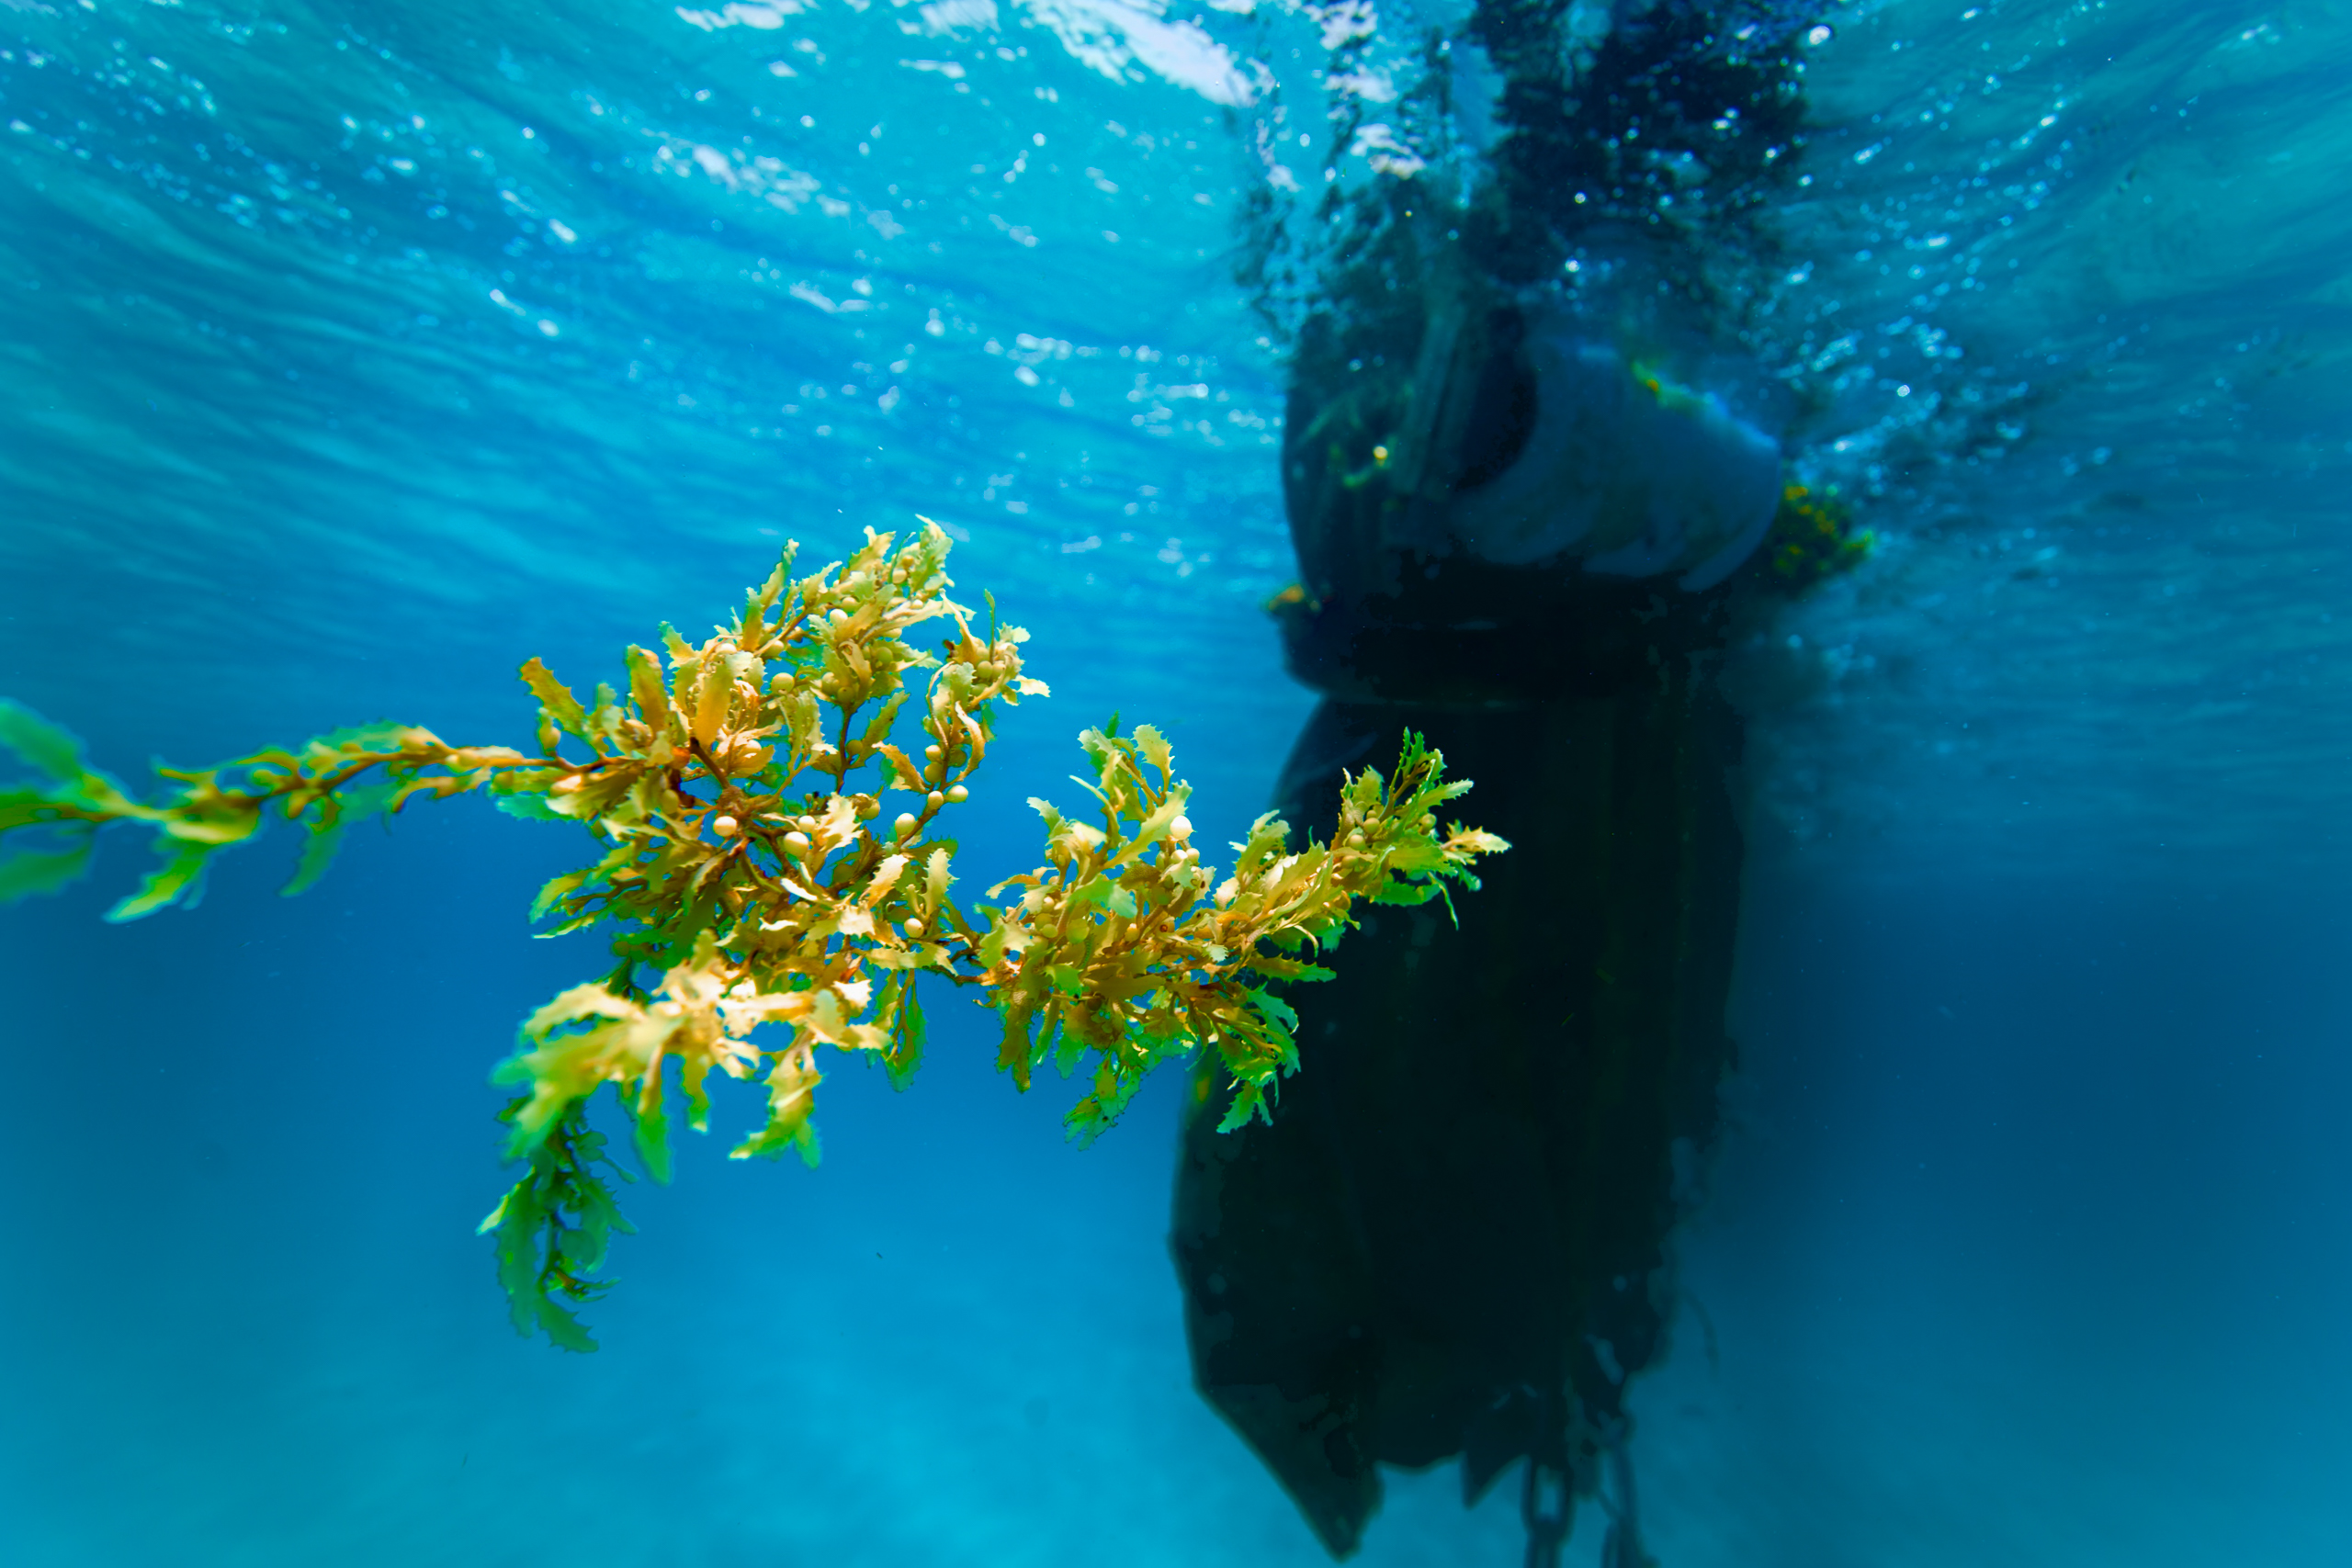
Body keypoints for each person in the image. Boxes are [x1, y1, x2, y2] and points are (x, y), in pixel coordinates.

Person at [1171, 2, 1828, 1560]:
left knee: (1487, 285)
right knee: (1538, 263)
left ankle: (1496, 120)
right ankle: (1527, 117)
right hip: (1522, 558)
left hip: (1500, 560)